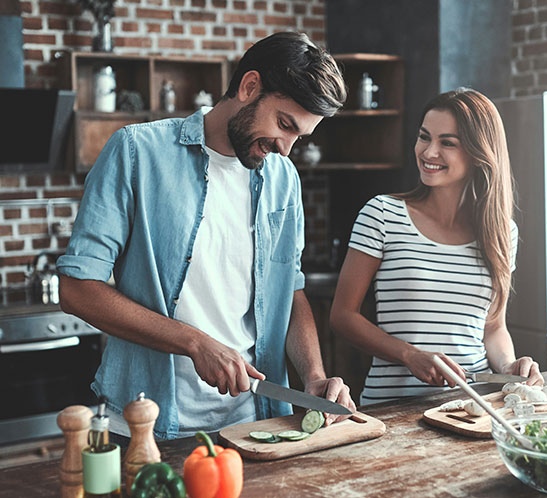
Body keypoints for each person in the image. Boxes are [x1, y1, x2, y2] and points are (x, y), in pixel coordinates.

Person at [57, 31, 356, 440]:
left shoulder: (283, 178)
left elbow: (291, 289)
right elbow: (76, 289)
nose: (286, 149)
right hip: (148, 424)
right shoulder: (136, 153)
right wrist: (195, 343)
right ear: (250, 87)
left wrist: (315, 377)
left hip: (255, 424)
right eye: (284, 124)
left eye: (299, 137)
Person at [329, 88, 544, 405]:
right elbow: (342, 316)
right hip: (393, 406)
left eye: (447, 143)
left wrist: (509, 367)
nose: (428, 152)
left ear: (477, 153)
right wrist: (409, 355)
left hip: (473, 405)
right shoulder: (382, 214)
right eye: (424, 137)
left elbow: (492, 327)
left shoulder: (502, 232)